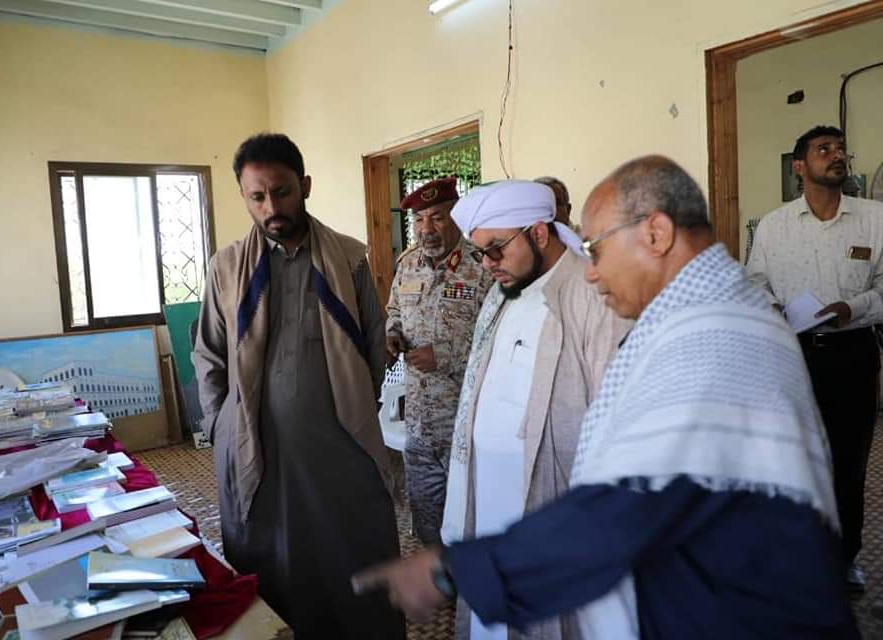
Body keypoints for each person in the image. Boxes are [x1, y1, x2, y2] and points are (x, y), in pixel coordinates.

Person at [354, 156, 857, 639]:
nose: (591, 272)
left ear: (656, 234)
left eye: (595, 248)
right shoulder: (707, 313)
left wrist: (458, 571)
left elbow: (624, 511)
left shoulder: (714, 336)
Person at [193, 132, 404, 638]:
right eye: (257, 197)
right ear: (244, 196)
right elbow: (208, 354)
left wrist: (355, 408)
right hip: (255, 450)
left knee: (353, 558)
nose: (271, 207)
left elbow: (374, 346)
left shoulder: (348, 259)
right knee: (271, 564)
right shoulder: (226, 268)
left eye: (282, 192)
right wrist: (222, 424)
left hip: (339, 451)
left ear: (304, 186)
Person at [438, 180, 630, 640]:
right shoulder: (501, 290)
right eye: (480, 252)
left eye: (496, 249)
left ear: (539, 233)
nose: (488, 264)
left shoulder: (594, 295)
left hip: (548, 501)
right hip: (488, 498)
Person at [746, 125, 883, 591]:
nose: (837, 155)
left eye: (841, 148)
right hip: (793, 356)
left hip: (853, 357)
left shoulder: (874, 220)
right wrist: (772, 309)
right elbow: (755, 282)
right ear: (800, 166)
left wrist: (853, 308)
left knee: (848, 463)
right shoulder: (774, 226)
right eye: (824, 149)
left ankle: (844, 559)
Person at [386, 177, 492, 546]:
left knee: (473, 517)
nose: (426, 229)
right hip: (418, 423)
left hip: (467, 426)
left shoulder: (483, 266)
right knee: (427, 517)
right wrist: (392, 333)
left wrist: (444, 355)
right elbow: (394, 310)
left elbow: (500, 337)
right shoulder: (408, 264)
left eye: (436, 218)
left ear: (455, 218)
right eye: (419, 220)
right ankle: (439, 577)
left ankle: (471, 580)